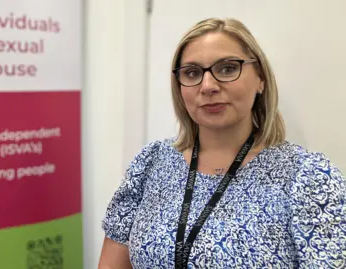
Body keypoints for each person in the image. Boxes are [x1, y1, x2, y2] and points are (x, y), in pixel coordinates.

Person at [98, 17, 346, 269]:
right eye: (192, 73)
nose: (208, 86)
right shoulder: (151, 162)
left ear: (260, 78)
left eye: (227, 68)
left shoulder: (308, 177)